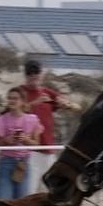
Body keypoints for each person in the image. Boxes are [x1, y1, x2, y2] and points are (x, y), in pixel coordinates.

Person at [16, 59, 77, 191]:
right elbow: (14, 111)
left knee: (47, 191)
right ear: (25, 75)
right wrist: (35, 103)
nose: (33, 75)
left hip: (48, 149)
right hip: (29, 151)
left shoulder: (48, 92)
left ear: (41, 73)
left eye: (36, 71)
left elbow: (74, 106)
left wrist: (66, 104)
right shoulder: (20, 92)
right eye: (29, 72)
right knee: (28, 191)